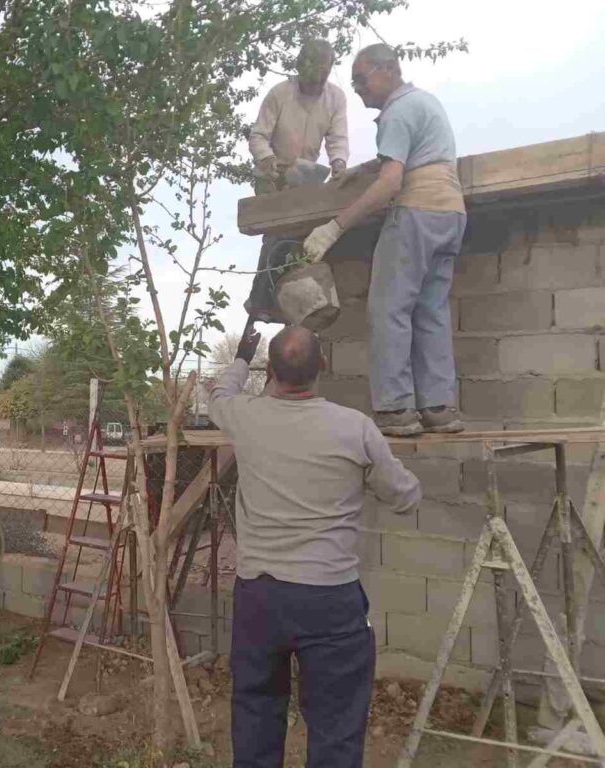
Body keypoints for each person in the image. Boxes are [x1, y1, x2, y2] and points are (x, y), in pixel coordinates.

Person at [209, 323, 421, 768]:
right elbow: (405, 497)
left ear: (271, 371)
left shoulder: (245, 416)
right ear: (322, 366)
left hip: (260, 597)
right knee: (336, 729)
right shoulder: (354, 428)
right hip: (329, 601)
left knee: (255, 713)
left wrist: (243, 357)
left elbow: (219, 393)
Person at [302, 43, 467, 436]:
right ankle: (440, 408)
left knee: (388, 309)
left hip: (416, 213)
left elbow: (391, 182)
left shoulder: (396, 110)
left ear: (388, 69)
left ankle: (395, 410)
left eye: (362, 79)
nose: (357, 88)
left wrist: (333, 227)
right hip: (450, 215)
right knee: (431, 311)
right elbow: (397, 159)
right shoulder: (424, 102)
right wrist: (357, 170)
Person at [248, 38, 349, 195]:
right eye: (312, 77)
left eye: (322, 75)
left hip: (305, 179)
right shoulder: (279, 93)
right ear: (300, 68)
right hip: (271, 179)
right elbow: (258, 136)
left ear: (329, 70)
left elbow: (338, 139)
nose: (316, 82)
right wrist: (266, 158)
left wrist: (339, 164)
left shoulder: (336, 97)